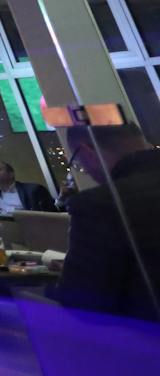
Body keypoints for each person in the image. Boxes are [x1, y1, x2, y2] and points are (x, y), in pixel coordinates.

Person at [52, 122, 160, 321]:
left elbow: (83, 302)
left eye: (78, 164)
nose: (85, 170)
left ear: (88, 152)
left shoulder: (99, 204)